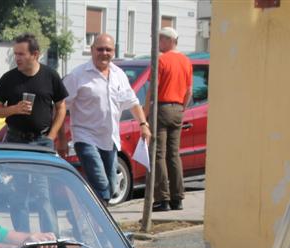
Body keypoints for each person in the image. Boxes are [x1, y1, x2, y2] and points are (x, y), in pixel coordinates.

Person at [59, 33, 151, 203]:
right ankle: (101, 225)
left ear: (113, 52)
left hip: (110, 139)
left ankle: (83, 215)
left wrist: (143, 124)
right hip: (85, 137)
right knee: (101, 185)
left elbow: (133, 101)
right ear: (92, 50)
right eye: (100, 49)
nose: (104, 53)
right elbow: (61, 106)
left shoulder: (118, 74)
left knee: (112, 187)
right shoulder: (78, 75)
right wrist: (61, 138)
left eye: (108, 49)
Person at [0, 33, 67, 233]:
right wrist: (14, 109)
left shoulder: (50, 76)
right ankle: (24, 239)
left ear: (35, 54)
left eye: (21, 54)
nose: (17, 58)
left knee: (44, 194)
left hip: (41, 140)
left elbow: (61, 107)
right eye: (15, 54)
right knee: (19, 194)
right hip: (16, 141)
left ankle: (52, 241)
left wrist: (52, 136)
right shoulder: (9, 79)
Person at [145, 26, 192, 212]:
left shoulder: (161, 60)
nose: (159, 43)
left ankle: (162, 199)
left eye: (162, 39)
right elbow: (188, 90)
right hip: (178, 108)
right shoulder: (186, 61)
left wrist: (145, 111)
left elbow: (152, 89)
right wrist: (182, 108)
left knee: (158, 154)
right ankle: (178, 198)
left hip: (162, 107)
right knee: (174, 154)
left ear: (170, 41)